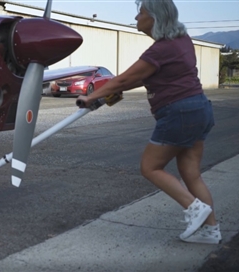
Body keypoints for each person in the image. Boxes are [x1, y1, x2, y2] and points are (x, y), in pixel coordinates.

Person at [76, 0, 219, 244]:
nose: (136, 18)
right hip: (200, 109)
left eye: (140, 13)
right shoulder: (182, 41)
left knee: (150, 167)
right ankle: (210, 231)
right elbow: (140, 79)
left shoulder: (160, 50)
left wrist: (90, 96)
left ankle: (194, 208)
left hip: (179, 113)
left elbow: (123, 79)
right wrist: (104, 97)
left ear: (154, 17)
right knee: (191, 174)